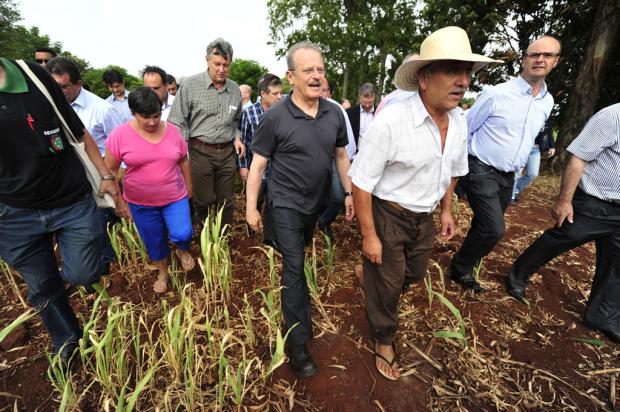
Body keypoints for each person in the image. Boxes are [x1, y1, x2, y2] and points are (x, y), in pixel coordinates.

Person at [349, 26, 502, 381]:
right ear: (423, 78)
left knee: (413, 274)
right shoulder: (392, 122)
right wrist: (369, 235)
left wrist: (446, 209)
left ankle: (372, 279)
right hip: (389, 213)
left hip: (425, 216)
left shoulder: (460, 121)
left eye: (467, 72)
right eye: (452, 70)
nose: (462, 80)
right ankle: (384, 339)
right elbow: (361, 182)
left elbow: (452, 171)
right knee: (388, 284)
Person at [0, 57, 119, 365]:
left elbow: (77, 130)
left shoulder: (32, 75)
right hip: (13, 214)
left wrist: (106, 175)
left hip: (70, 200)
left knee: (85, 272)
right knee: (42, 287)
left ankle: (68, 281)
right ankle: (68, 341)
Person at [246, 41, 354, 378]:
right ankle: (298, 344)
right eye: (308, 70)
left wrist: (348, 193)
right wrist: (251, 208)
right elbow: (258, 165)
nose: (317, 75)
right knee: (295, 270)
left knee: (300, 254)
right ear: (291, 76)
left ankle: (283, 242)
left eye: (320, 69)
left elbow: (340, 156)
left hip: (314, 204)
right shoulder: (275, 117)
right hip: (285, 202)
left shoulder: (334, 112)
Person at [450, 35, 561, 293]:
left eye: (547, 55)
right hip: (480, 168)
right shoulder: (496, 94)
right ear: (524, 60)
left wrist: (544, 145)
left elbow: (537, 129)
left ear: (556, 62)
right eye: (534, 55)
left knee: (484, 224)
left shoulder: (548, 101)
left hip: (509, 174)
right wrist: (457, 171)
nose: (540, 60)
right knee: (494, 229)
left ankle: (466, 263)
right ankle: (460, 266)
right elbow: (465, 129)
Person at [506, 103, 620, 343]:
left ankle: (602, 317)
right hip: (595, 202)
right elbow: (579, 157)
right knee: (563, 237)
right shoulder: (612, 116)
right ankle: (517, 277)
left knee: (616, 264)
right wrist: (565, 200)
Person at [104, 87, 194, 293]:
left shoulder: (172, 130)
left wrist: (189, 188)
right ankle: (163, 272)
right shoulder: (120, 135)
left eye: (156, 115)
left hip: (174, 196)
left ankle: (181, 249)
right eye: (145, 117)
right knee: (154, 240)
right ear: (133, 113)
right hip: (141, 202)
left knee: (183, 232)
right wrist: (118, 202)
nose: (152, 122)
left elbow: (183, 161)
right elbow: (110, 171)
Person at [47, 57, 123, 264]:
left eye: (64, 86)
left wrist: (109, 177)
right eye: (54, 86)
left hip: (98, 177)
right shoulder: (46, 106)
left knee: (100, 225)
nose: (58, 91)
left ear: (78, 84)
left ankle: (109, 267)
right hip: (65, 179)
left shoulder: (102, 109)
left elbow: (119, 145)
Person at [168, 38, 245, 228]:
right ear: (207, 60)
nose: (221, 69)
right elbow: (177, 120)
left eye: (226, 65)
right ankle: (203, 235)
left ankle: (223, 239)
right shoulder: (190, 85)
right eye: (217, 64)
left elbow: (236, 119)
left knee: (227, 200)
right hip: (199, 150)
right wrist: (181, 152)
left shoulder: (235, 89)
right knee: (203, 199)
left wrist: (237, 137)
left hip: (227, 151)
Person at [238, 74, 282, 241]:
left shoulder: (283, 112)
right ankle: (251, 235)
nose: (279, 97)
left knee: (273, 205)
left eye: (280, 93)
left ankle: (270, 237)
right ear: (263, 94)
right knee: (255, 201)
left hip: (277, 170)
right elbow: (242, 141)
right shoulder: (249, 114)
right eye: (275, 94)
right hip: (257, 170)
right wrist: (243, 166)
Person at [317, 77, 357, 241]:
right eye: (320, 89)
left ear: (330, 92)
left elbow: (346, 143)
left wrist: (348, 161)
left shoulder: (336, 110)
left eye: (326, 90)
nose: (322, 93)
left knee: (339, 196)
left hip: (334, 159)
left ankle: (324, 221)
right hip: (311, 163)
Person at [511, 121, 556, 203]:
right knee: (517, 172)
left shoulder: (544, 113)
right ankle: (512, 195)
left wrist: (552, 146)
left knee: (533, 174)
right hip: (522, 147)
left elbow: (549, 130)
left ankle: (514, 189)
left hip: (536, 149)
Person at [346, 83, 376, 147]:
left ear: (374, 97)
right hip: (355, 154)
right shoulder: (349, 113)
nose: (367, 106)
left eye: (370, 102)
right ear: (360, 98)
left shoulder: (380, 113)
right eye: (364, 102)